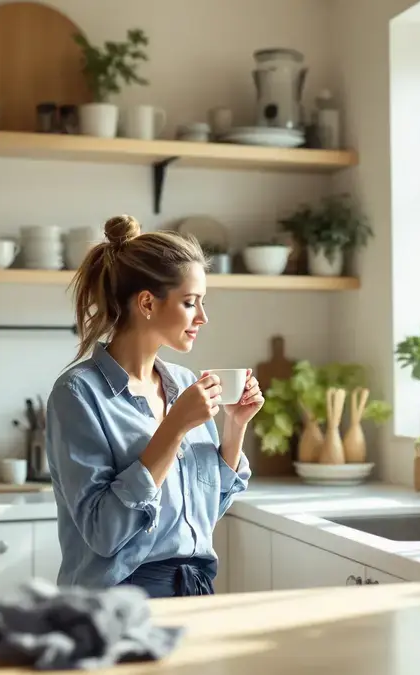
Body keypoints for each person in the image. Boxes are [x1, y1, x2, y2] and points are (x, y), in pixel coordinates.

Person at [45, 214, 264, 598]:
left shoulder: (182, 383)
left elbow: (202, 515)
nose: (203, 317)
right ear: (147, 302)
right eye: (190, 303)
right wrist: (174, 428)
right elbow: (103, 532)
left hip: (195, 589)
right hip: (119, 601)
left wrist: (236, 427)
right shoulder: (78, 394)